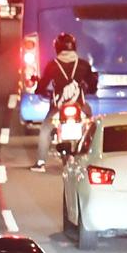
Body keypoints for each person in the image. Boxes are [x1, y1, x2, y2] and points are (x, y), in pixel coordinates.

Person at [31, 34, 90, 172]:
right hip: (79, 106)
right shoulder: (83, 64)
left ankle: (40, 162)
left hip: (58, 107)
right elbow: (93, 84)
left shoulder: (52, 65)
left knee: (45, 130)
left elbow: (42, 85)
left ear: (57, 48)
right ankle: (88, 157)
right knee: (90, 125)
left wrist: (38, 89)